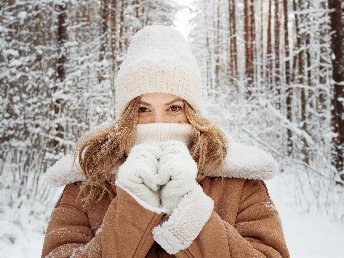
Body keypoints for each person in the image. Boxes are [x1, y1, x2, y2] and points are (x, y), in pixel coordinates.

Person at [41, 25, 290, 258]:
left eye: (173, 107)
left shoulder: (239, 182)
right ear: (126, 114)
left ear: (191, 111)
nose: (158, 122)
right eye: (142, 109)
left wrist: (190, 213)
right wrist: (133, 207)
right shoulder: (88, 182)